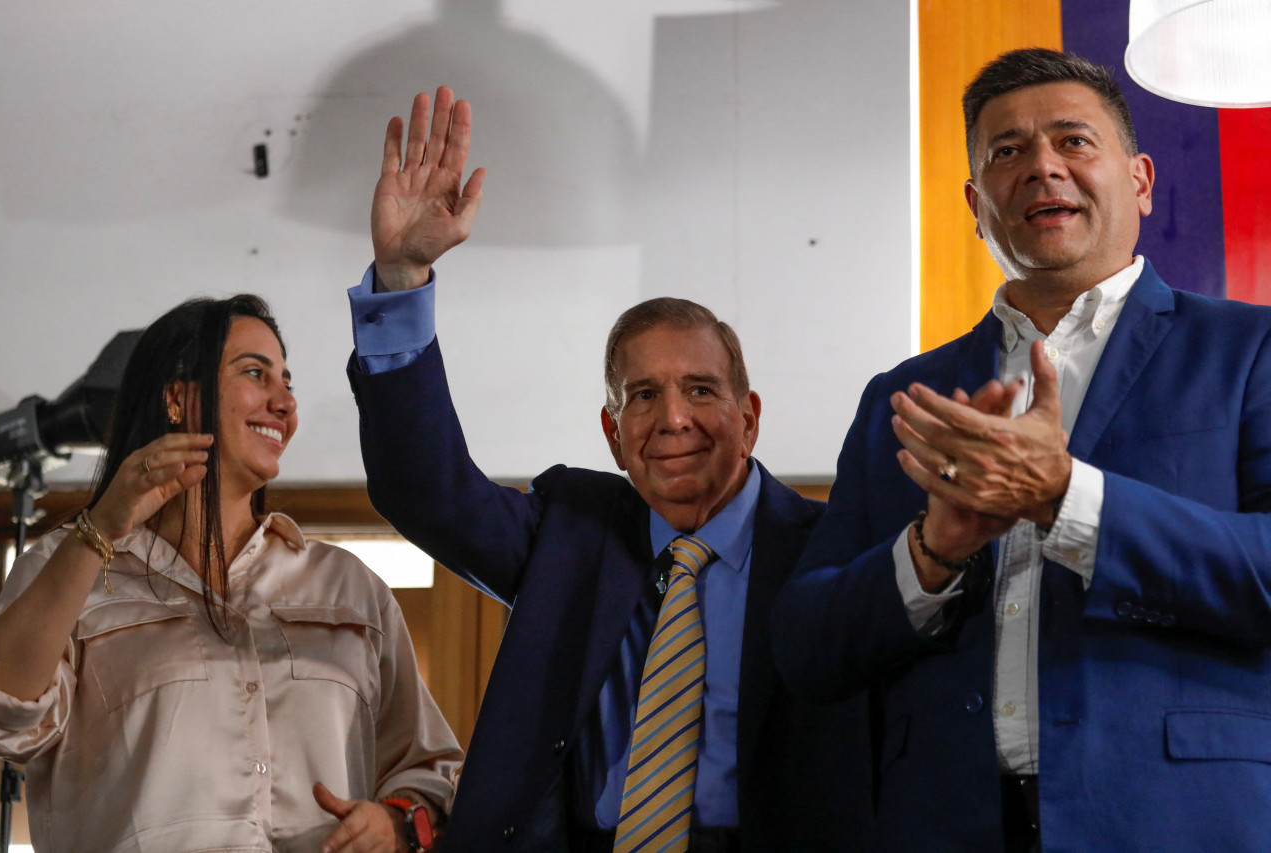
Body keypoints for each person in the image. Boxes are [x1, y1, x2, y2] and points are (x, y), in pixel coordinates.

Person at [345, 87, 873, 852]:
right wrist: (400, 280)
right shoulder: (572, 530)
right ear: (613, 432)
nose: (673, 419)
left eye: (700, 389)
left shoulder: (830, 548)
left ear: (749, 416)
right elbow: (425, 490)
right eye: (643, 396)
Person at [772, 46, 1271, 852]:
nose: (1042, 167)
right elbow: (806, 647)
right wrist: (929, 554)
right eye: (1007, 151)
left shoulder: (1252, 351)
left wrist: (1066, 498)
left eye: (1074, 140)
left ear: (1140, 180)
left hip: (1181, 821)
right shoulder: (904, 396)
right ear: (976, 204)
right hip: (944, 823)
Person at [0, 295, 463, 853]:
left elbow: (433, 774)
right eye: (255, 374)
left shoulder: (349, 587)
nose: (285, 403)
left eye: (288, 384)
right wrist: (100, 529)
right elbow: (5, 711)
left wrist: (396, 824)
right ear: (177, 398)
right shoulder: (62, 568)